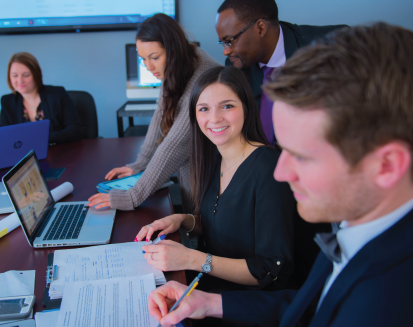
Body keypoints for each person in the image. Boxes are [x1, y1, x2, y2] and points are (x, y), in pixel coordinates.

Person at [148, 23, 413, 327]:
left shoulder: (389, 303)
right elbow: (309, 306)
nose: (282, 171)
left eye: (302, 155)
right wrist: (207, 302)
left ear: (387, 165)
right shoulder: (350, 231)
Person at [135, 66, 296, 297]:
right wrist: (182, 219)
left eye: (227, 106)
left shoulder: (269, 168)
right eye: (204, 109)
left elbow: (270, 269)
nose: (214, 118)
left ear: (247, 108)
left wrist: (192, 258)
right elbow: (226, 222)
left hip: (247, 303)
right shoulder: (213, 158)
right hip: (209, 287)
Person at [87, 13, 219, 211]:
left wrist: (131, 197)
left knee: (203, 231)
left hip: (214, 178)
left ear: (173, 50)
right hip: (195, 173)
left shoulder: (202, 75)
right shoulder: (177, 65)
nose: (149, 66)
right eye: (143, 59)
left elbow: (176, 143)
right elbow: (161, 113)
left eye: (154, 57)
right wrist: (140, 164)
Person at [216, 0, 346, 144]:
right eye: (222, 43)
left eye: (229, 41)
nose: (226, 52)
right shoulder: (236, 66)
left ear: (261, 28)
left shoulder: (332, 47)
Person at [0, 52, 82, 144]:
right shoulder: (7, 101)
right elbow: (3, 135)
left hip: (59, 152)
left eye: (26, 75)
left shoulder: (57, 94)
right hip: (25, 155)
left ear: (36, 74)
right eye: (15, 75)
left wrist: (42, 138)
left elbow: (75, 130)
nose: (20, 80)